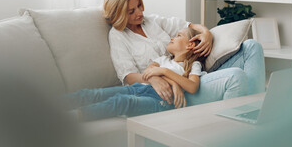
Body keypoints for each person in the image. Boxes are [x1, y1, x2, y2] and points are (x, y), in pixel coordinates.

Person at [104, 0, 265, 106]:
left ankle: (253, 110)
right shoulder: (118, 36)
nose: (139, 13)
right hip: (182, 86)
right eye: (131, 11)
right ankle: (238, 122)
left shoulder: (151, 21)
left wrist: (206, 34)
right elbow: (128, 76)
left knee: (251, 47)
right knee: (235, 76)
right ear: (119, 15)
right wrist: (154, 79)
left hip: (194, 71)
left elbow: (190, 26)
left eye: (139, 6)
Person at [64, 27, 205, 121]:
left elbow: (192, 87)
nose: (172, 38)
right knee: (94, 94)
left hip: (160, 101)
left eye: (178, 36)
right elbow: (147, 73)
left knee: (123, 102)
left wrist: (164, 71)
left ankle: (74, 117)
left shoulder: (193, 65)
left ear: (190, 45)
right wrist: (174, 82)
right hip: (139, 87)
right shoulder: (162, 59)